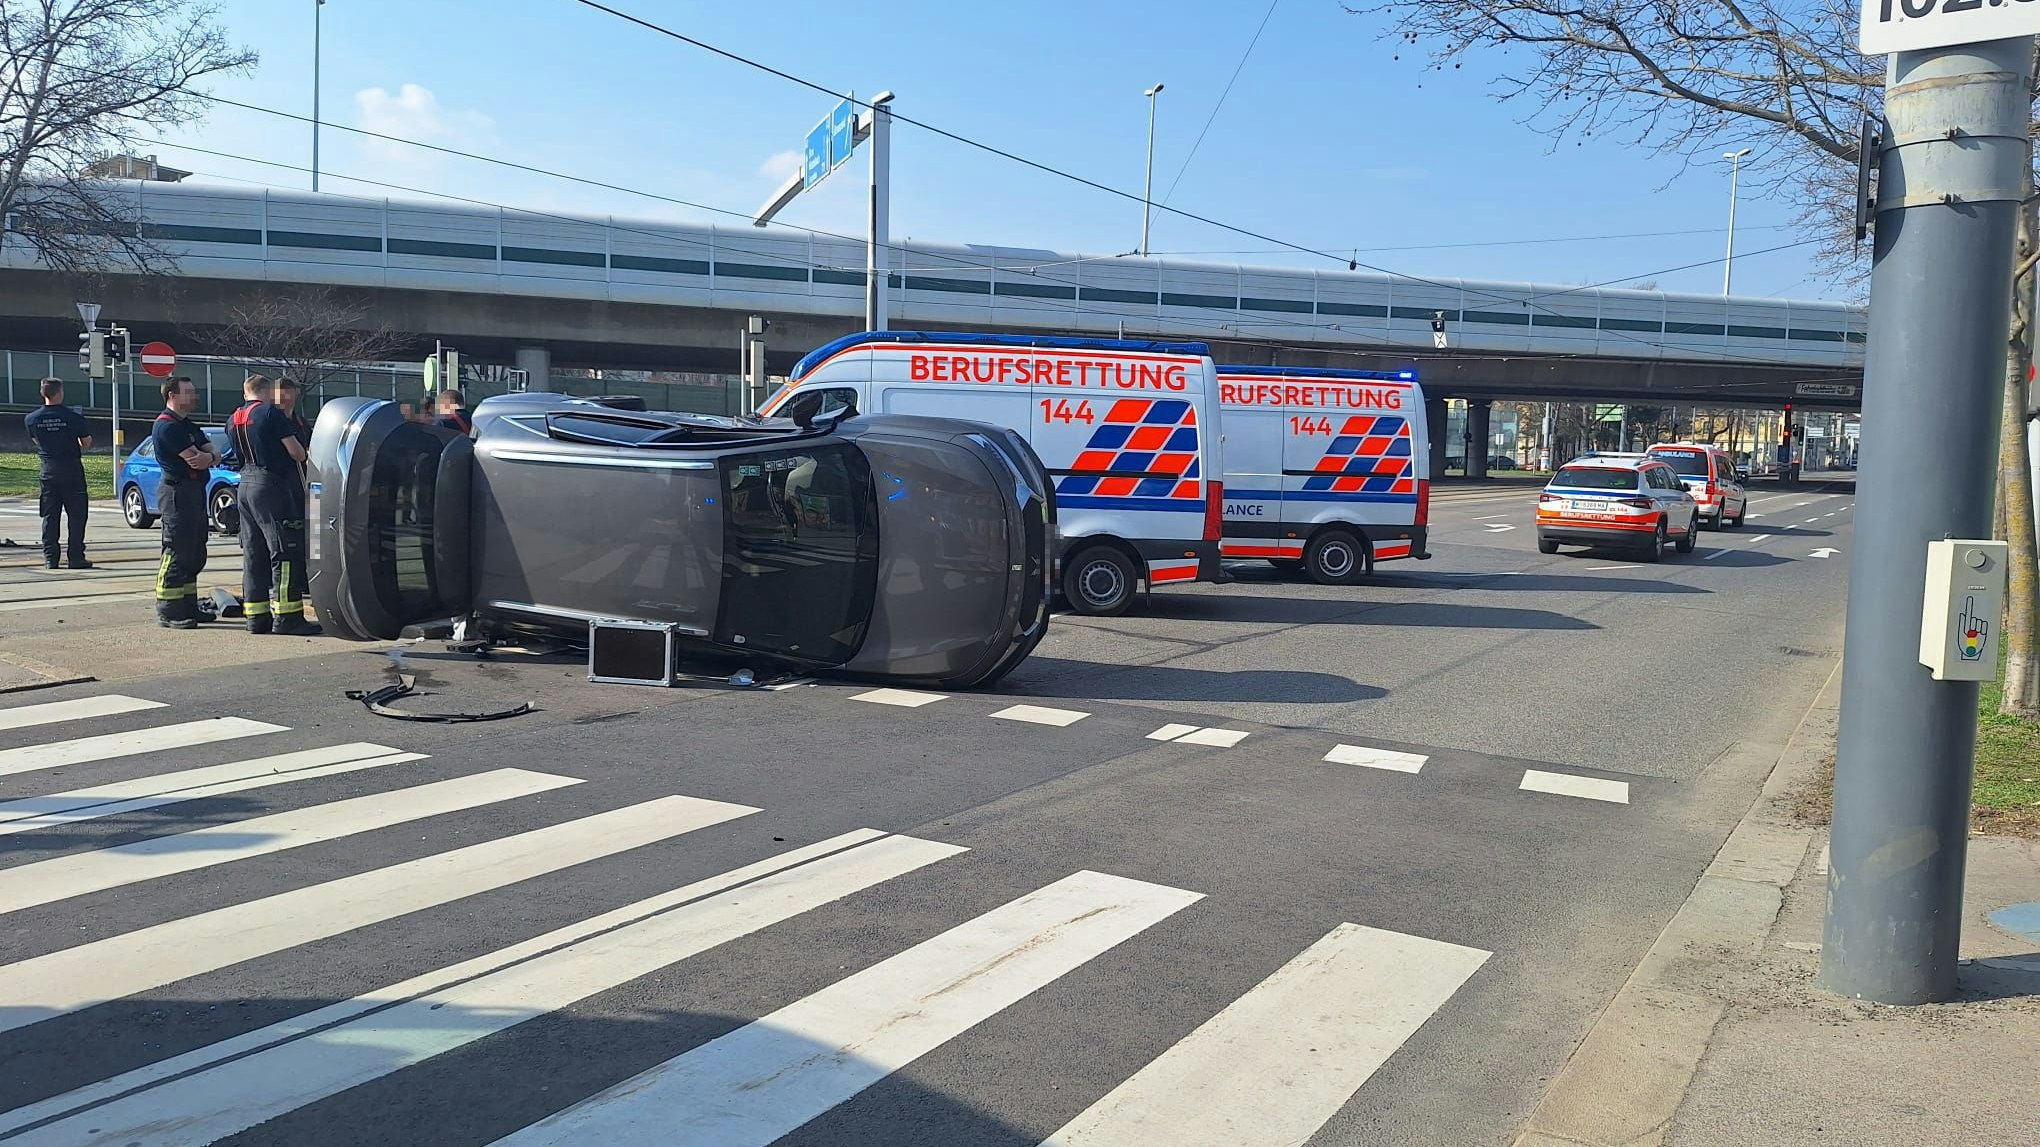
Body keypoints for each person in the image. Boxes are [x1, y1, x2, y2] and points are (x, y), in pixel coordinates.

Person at [226, 374, 321, 636]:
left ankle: (256, 618)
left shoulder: (233, 418)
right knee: (284, 551)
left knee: (254, 554)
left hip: (244, 484)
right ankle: (287, 617)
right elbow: (296, 452)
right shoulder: (270, 414)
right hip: (272, 485)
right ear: (267, 392)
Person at [151, 376, 219, 629]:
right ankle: (168, 609)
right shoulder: (167, 427)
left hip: (194, 491)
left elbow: (212, 451)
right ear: (172, 395)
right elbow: (196, 459)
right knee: (176, 549)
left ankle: (188, 604)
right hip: (176, 493)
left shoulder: (187, 424)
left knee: (194, 550)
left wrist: (209, 455)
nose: (194, 396)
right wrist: (209, 456)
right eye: (188, 392)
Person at [23, 378, 93, 570]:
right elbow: (86, 443)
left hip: (48, 471)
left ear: (42, 393)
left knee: (50, 516)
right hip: (71, 471)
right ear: (59, 393)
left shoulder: (31, 419)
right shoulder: (73, 417)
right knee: (77, 516)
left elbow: (38, 441)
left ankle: (50, 558)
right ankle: (76, 557)